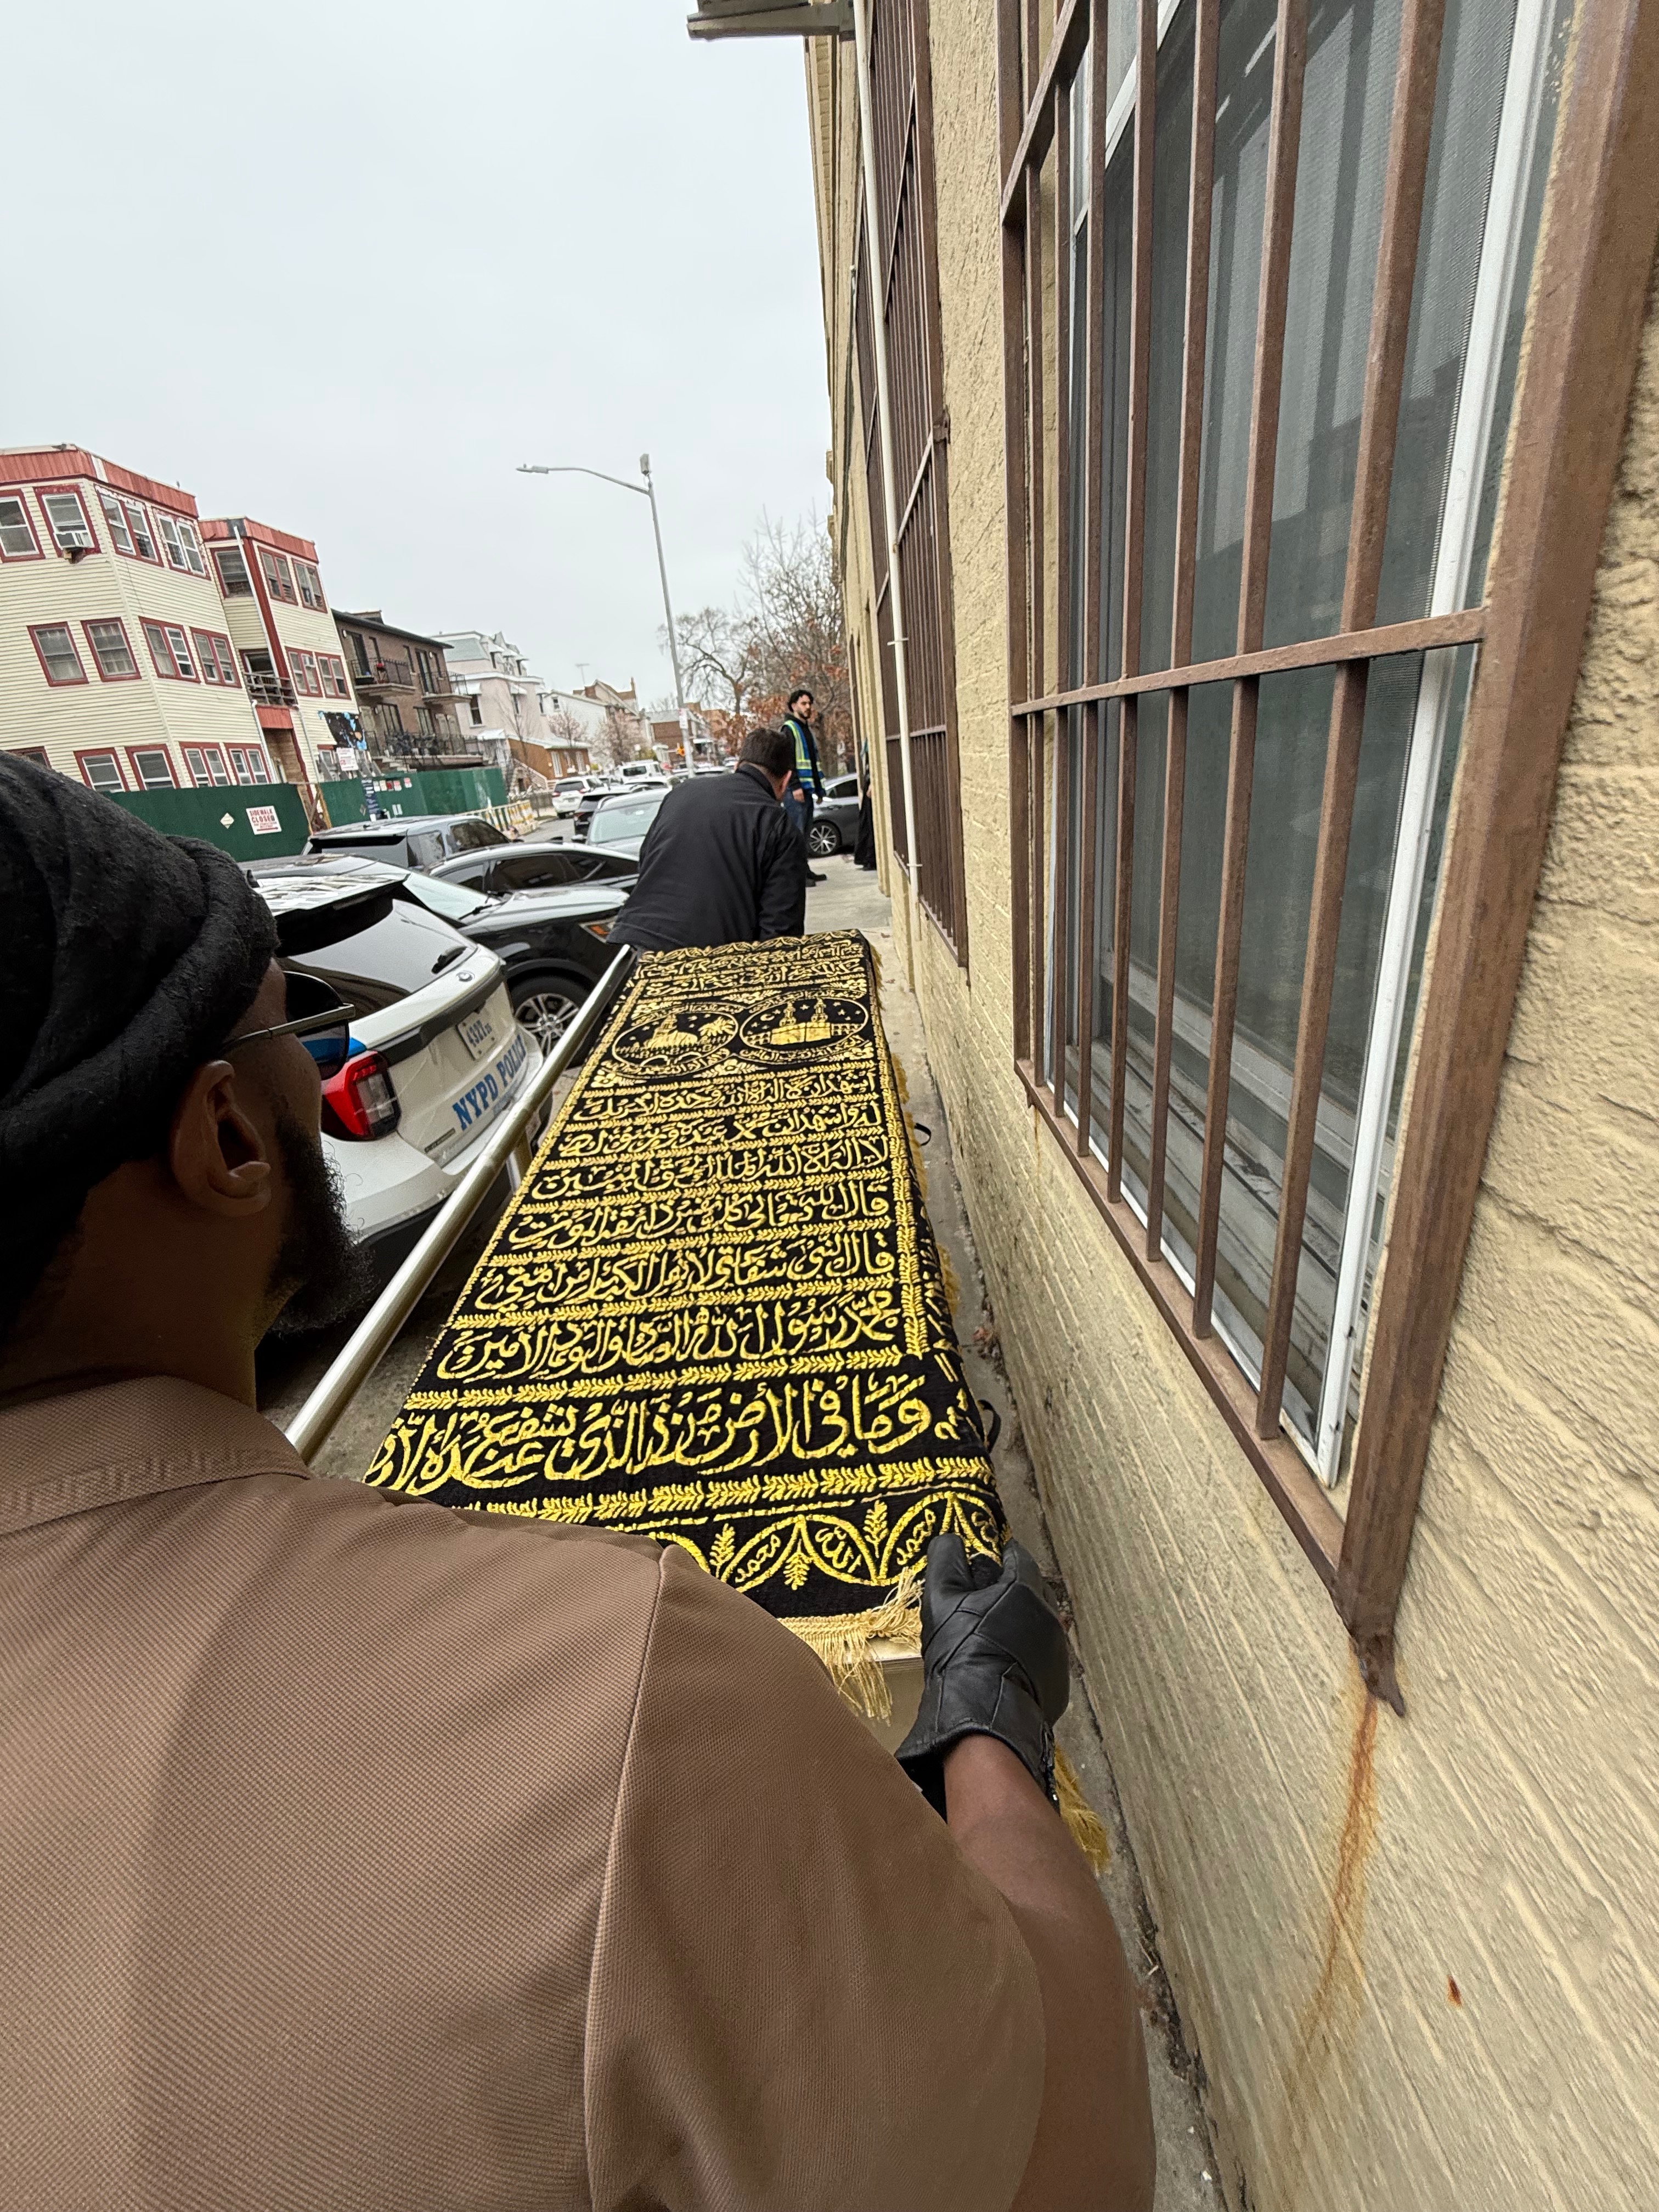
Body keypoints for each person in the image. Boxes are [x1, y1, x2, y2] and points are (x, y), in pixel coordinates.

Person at [0, 755, 1155, 2211]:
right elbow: (1063, 2156)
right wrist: (989, 1733)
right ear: (226, 1136)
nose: (314, 1058)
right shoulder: (621, 1702)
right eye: (298, 1021)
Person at [608, 724, 809, 953]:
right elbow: (780, 937)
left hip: (643, 941)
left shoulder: (682, 793)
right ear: (786, 780)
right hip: (712, 958)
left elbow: (647, 860)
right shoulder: (778, 824)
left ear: (738, 766)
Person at [781, 685, 827, 882]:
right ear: (794, 706)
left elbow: (814, 764)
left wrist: (819, 790)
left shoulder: (806, 730)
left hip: (807, 791)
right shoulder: (789, 729)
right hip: (796, 792)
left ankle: (805, 870)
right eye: (804, 703)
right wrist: (795, 786)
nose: (808, 707)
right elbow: (788, 761)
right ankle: (797, 876)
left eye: (809, 704)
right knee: (797, 834)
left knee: (805, 834)